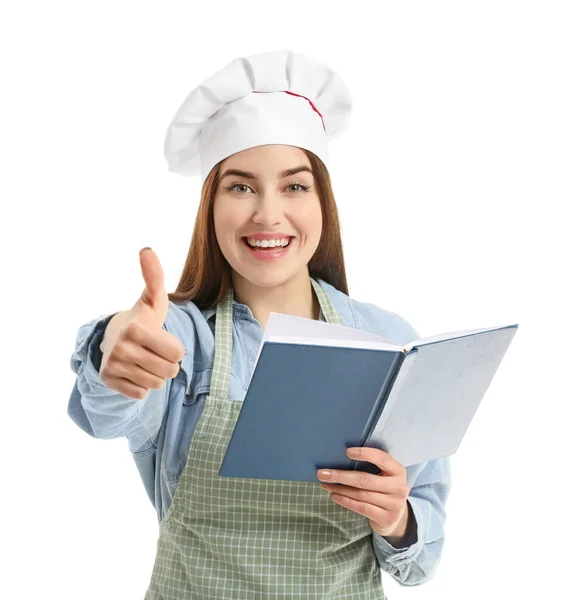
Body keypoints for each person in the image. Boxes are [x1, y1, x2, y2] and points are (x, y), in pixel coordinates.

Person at [68, 48, 451, 598]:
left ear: (323, 202)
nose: (267, 214)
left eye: (294, 185)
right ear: (211, 206)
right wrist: (116, 347)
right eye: (241, 186)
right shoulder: (183, 337)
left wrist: (396, 518)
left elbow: (420, 562)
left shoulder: (388, 343)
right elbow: (109, 412)